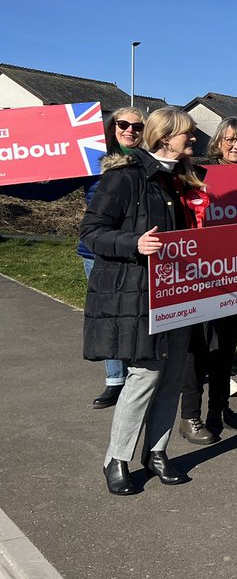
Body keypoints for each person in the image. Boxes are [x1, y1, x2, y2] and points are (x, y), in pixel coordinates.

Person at [82, 107, 209, 495]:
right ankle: (116, 458)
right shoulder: (126, 178)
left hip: (180, 292)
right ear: (164, 136)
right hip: (139, 292)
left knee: (172, 375)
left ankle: (156, 451)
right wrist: (134, 243)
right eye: (187, 133)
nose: (194, 140)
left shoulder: (183, 180)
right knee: (145, 376)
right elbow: (92, 231)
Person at [177, 117, 237, 445]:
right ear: (219, 142)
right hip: (198, 271)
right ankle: (190, 416)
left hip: (236, 269)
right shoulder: (197, 175)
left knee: (225, 344)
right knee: (197, 346)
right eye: (231, 140)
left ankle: (220, 410)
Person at [80, 107, 144, 409]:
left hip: (135, 248)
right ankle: (114, 381)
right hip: (98, 250)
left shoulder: (147, 165)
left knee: (131, 315)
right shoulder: (90, 160)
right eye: (123, 124)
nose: (130, 130)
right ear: (112, 127)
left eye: (137, 125)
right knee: (108, 316)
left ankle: (136, 378)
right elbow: (51, 184)